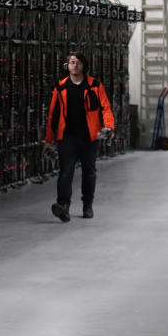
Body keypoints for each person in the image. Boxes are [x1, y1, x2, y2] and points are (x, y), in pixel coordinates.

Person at [42, 52, 114, 222]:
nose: (74, 65)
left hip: (89, 137)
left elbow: (106, 108)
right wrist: (48, 140)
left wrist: (109, 127)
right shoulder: (60, 87)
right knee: (66, 171)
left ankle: (87, 205)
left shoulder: (95, 86)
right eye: (71, 62)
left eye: (78, 62)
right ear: (67, 66)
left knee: (89, 172)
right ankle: (63, 207)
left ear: (84, 66)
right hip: (67, 137)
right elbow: (52, 115)